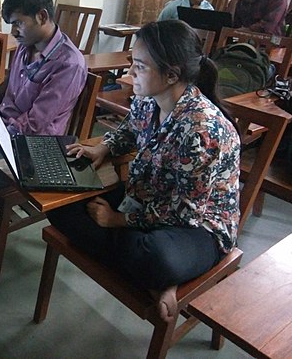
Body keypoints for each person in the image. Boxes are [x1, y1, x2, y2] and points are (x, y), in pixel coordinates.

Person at [46, 20, 240, 322]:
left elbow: (184, 214)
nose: (129, 74)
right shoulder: (149, 100)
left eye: (140, 67)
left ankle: (160, 274)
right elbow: (129, 130)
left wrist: (116, 220)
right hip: (147, 198)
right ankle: (154, 278)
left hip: (198, 227)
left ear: (171, 74)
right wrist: (104, 147)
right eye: (131, 63)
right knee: (61, 208)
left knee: (157, 257)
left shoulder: (203, 131)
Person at [0, 0, 87, 206]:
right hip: (2, 128)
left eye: (18, 23)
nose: (14, 32)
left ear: (41, 16)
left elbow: (34, 124)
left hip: (33, 147)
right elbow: (11, 82)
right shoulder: (26, 45)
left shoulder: (69, 64)